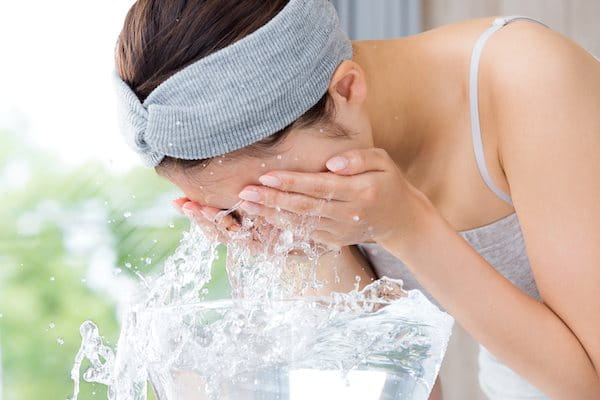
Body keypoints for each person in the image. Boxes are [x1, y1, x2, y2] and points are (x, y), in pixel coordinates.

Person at [112, 1, 600, 399]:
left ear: (347, 88)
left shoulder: (527, 79)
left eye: (279, 194)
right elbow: (405, 392)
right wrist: (311, 252)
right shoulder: (304, 188)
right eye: (234, 210)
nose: (276, 217)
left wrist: (409, 227)